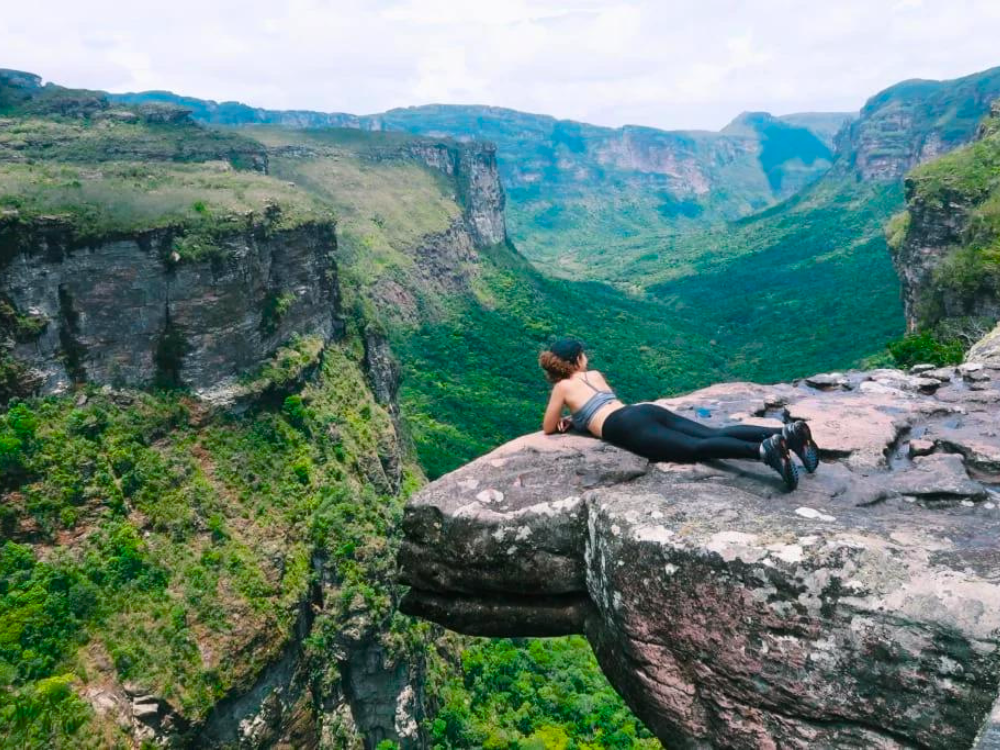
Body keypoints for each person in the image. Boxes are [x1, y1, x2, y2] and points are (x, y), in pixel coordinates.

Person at [538, 338, 819, 491]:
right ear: (577, 360)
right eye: (583, 355)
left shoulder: (562, 387)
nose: (586, 358)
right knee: (712, 433)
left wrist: (573, 421)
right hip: (640, 412)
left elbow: (549, 427)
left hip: (623, 428)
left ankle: (763, 450)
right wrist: (578, 418)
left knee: (694, 449)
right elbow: (593, 407)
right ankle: (785, 434)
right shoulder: (594, 375)